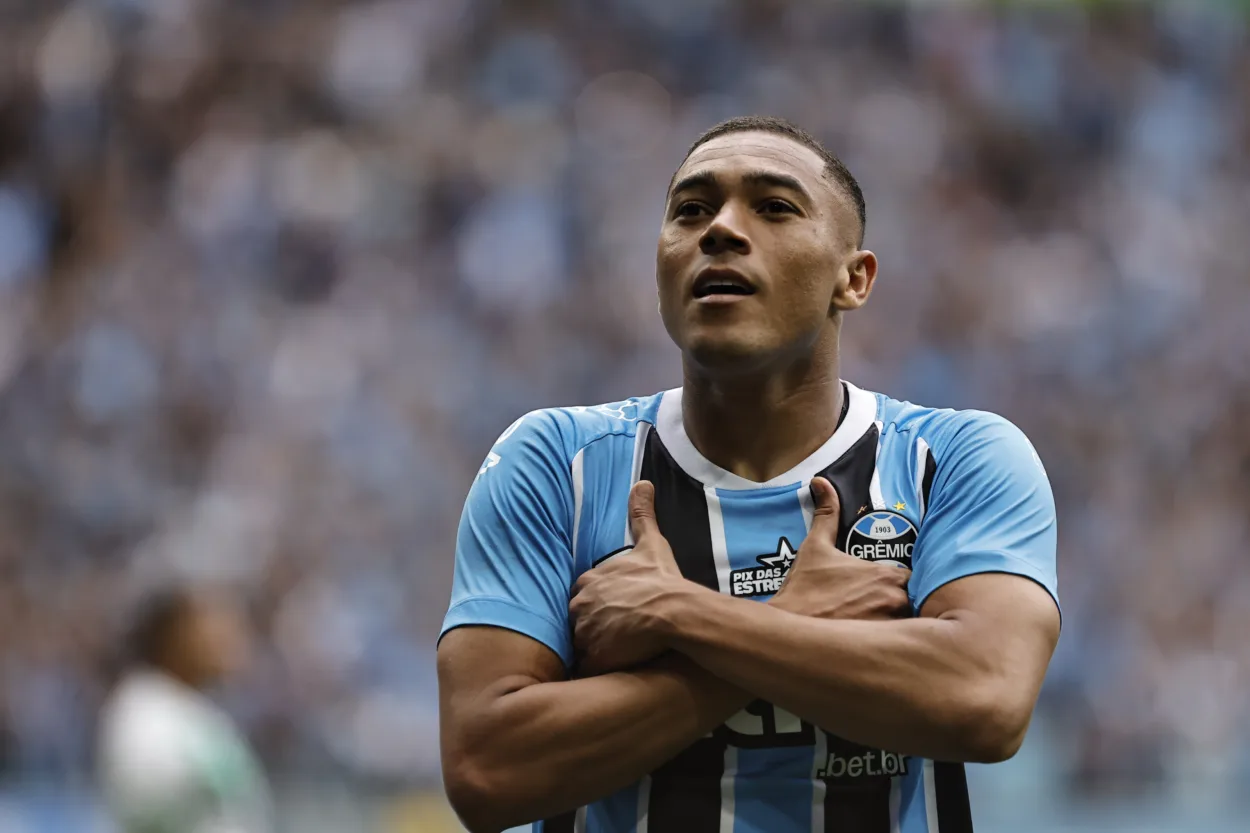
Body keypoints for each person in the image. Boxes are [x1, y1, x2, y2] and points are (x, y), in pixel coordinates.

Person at [437, 116, 1061, 833]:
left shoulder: (957, 458)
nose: (721, 230)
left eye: (774, 207)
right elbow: (487, 771)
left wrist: (681, 614)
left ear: (852, 279)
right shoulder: (554, 461)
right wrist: (792, 622)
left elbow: (984, 701)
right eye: (691, 211)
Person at [97, 585, 272, 833]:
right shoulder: (143, 709)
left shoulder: (196, 707)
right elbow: (145, 801)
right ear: (173, 635)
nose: (226, 638)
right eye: (211, 625)